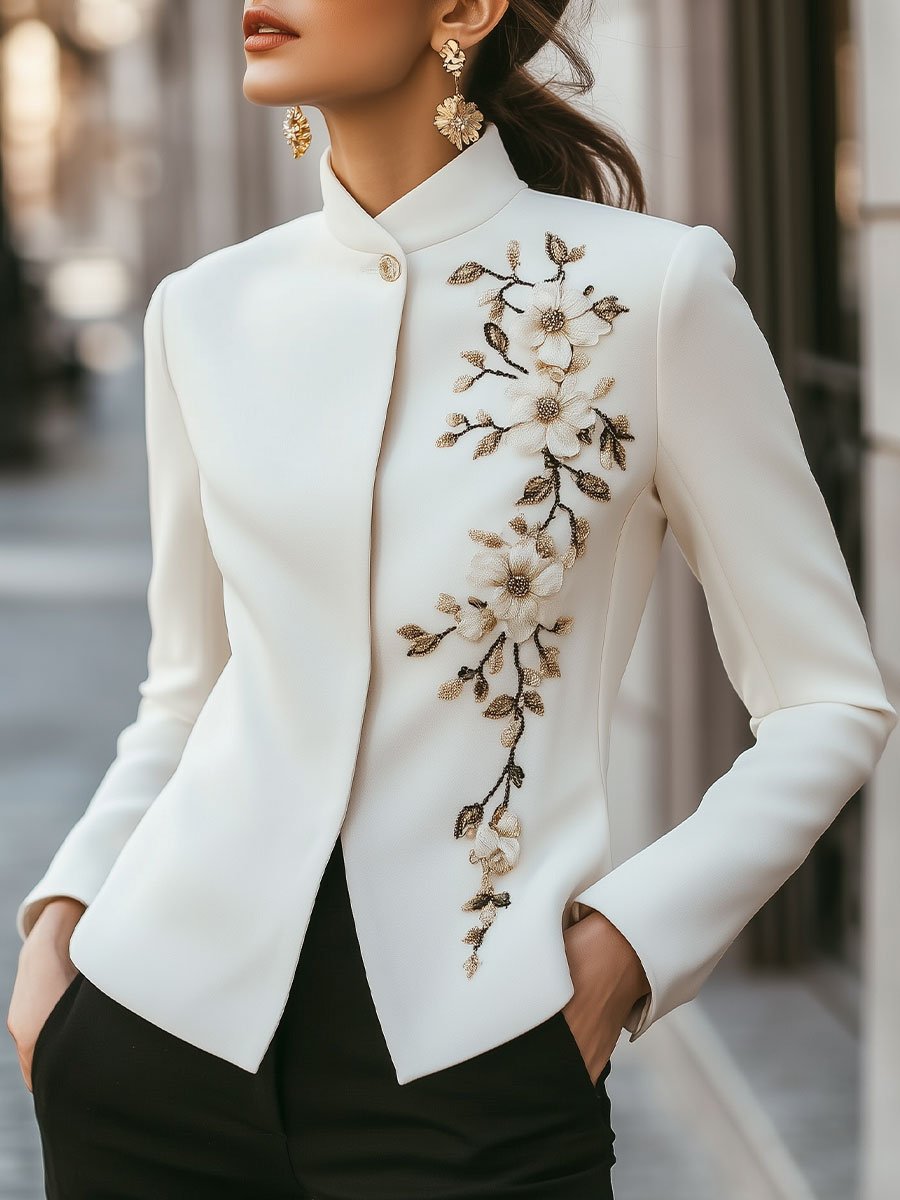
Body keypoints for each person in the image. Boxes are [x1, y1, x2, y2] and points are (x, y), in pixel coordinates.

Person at [7, 1, 897, 1197]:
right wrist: (58, 927)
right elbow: (188, 692)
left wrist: (628, 953)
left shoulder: (650, 292)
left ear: (465, 9)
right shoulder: (201, 312)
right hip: (146, 1053)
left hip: (479, 1081)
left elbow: (829, 701)